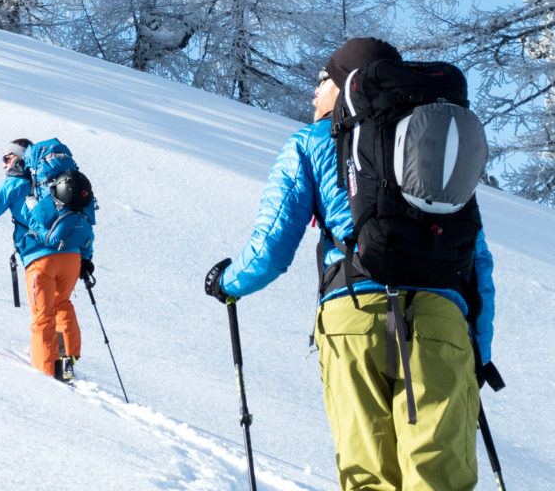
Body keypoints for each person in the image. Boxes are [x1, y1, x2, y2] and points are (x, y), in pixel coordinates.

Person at [203, 37, 498, 491]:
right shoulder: (433, 149)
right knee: (440, 479)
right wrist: (477, 353)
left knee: (368, 479)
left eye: (320, 81)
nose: (313, 93)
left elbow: (271, 247)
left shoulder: (310, 142)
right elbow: (477, 264)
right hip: (441, 323)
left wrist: (229, 282)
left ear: (342, 85)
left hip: (353, 318)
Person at [0, 138, 96, 381]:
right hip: (72, 256)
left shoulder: (14, 184)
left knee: (43, 317)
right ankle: (66, 371)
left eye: (7, 158)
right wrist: (86, 259)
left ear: (18, 157)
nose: (4, 164)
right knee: (63, 307)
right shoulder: (57, 182)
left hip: (40, 261)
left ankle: (47, 377)